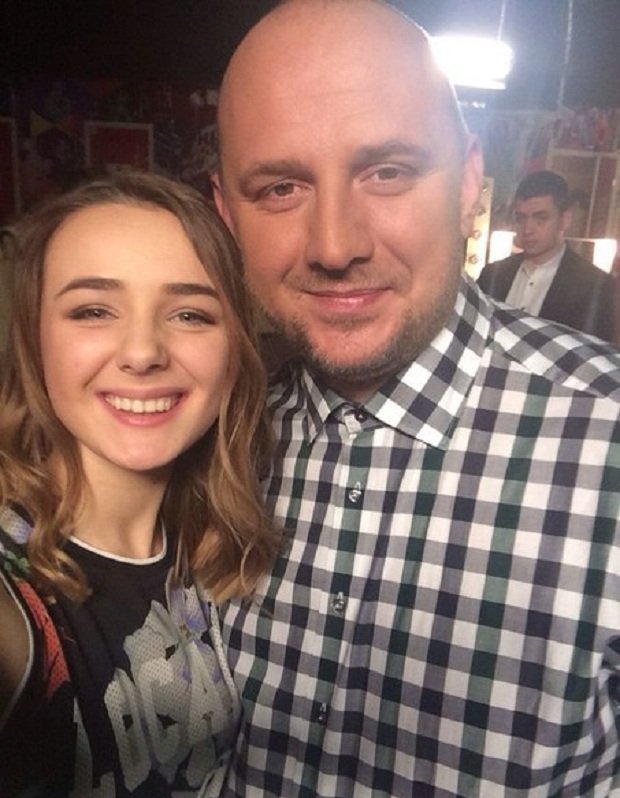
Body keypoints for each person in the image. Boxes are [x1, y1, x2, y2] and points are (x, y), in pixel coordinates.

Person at [211, 1, 620, 796]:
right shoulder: (209, 431)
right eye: (281, 187)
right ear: (227, 214)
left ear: (469, 183)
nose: (336, 245)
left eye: (388, 171)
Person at [0, 171, 278, 797]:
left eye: (190, 314)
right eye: (93, 311)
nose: (143, 351)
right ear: (34, 339)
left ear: (234, 348)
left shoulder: (203, 545)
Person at [477, 169, 616, 341]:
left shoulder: (596, 286)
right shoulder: (492, 274)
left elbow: (594, 352)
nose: (528, 230)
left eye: (540, 219)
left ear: (565, 219)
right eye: (521, 218)